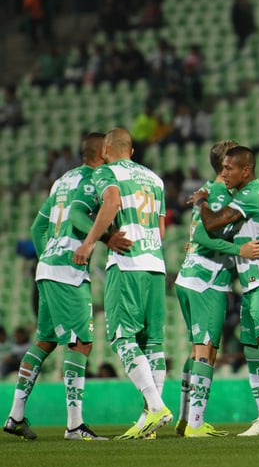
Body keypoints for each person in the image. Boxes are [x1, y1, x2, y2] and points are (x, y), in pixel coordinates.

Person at [4, 133, 131, 441]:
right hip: (69, 270)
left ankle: (15, 416)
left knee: (45, 341)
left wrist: (47, 256)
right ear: (102, 152)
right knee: (80, 342)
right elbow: (78, 216)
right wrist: (104, 237)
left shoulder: (62, 181)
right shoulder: (95, 180)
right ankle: (74, 426)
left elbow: (38, 227)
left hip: (47, 267)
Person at [72, 128, 171, 439]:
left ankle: (155, 406)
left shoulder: (106, 173)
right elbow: (162, 230)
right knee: (152, 344)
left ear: (105, 149)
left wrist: (90, 242)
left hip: (127, 264)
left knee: (122, 338)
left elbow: (112, 201)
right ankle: (149, 421)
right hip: (156, 265)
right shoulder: (155, 179)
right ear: (131, 150)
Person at [195, 146, 259, 437]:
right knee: (252, 352)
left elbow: (213, 223)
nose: (223, 173)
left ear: (246, 170)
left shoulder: (254, 194)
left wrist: (203, 201)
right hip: (252, 285)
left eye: (229, 168)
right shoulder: (243, 196)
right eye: (223, 167)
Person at [173, 140, 259, 437]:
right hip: (207, 279)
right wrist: (240, 249)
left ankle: (185, 418)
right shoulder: (218, 193)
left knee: (197, 352)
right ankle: (196, 424)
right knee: (206, 351)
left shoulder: (210, 190)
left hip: (190, 277)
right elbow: (203, 237)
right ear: (224, 165)